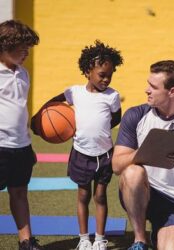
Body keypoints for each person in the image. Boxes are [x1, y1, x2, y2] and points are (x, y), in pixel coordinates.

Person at [31, 40, 123, 250]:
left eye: (110, 75)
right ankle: (84, 238)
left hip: (105, 154)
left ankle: (99, 239)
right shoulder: (74, 92)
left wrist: (99, 129)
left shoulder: (112, 96)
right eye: (102, 74)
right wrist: (37, 120)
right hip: (81, 153)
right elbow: (51, 104)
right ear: (87, 70)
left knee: (100, 196)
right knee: (83, 195)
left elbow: (116, 118)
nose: (106, 79)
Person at [112, 60, 174, 250]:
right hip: (138, 190)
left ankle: (159, 231)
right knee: (133, 172)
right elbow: (116, 166)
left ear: (172, 92)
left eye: (153, 87)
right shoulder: (135, 115)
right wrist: (143, 151)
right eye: (148, 84)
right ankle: (140, 240)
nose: (147, 90)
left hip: (173, 200)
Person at [0, 20, 42, 250]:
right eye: (22, 47)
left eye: (28, 47)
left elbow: (19, 109)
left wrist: (28, 144)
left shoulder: (23, 74)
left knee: (19, 193)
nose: (27, 52)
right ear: (5, 45)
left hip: (21, 146)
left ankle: (26, 241)